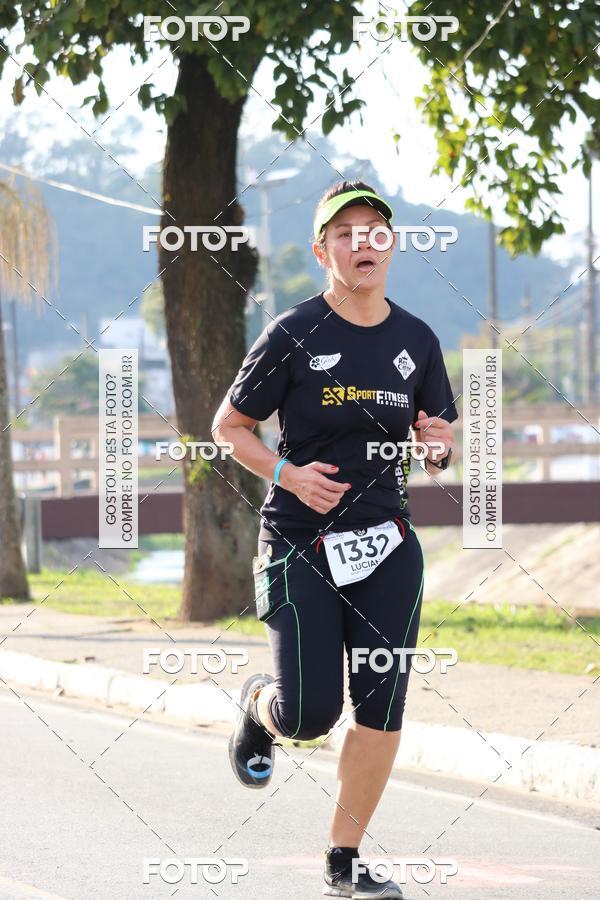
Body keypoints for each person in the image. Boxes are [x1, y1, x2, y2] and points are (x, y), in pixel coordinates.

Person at [212, 180, 458, 899]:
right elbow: (229, 430)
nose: (362, 244)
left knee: (382, 706)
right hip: (300, 545)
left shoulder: (417, 339)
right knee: (309, 715)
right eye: (345, 234)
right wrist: (287, 474)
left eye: (375, 232)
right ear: (323, 251)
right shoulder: (292, 332)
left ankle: (343, 860)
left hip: (387, 545)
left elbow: (438, 443)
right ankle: (262, 705)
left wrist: (438, 447)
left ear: (392, 246)